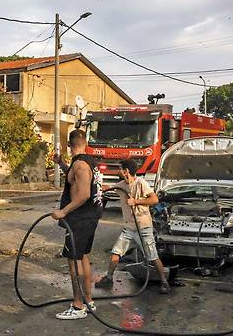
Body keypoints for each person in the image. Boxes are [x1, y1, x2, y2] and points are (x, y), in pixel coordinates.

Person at [95, 159, 171, 294]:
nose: (119, 171)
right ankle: (109, 278)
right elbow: (108, 188)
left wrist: (136, 201)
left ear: (126, 171)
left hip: (143, 228)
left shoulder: (141, 183)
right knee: (116, 252)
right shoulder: (122, 185)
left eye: (120, 169)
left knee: (152, 256)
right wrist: (97, 185)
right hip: (129, 228)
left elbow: (154, 199)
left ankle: (164, 282)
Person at [51, 129, 103, 320]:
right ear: (85, 143)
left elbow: (83, 194)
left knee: (74, 261)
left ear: (69, 145)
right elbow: (73, 180)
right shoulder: (87, 162)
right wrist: (61, 163)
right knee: (83, 257)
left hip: (79, 219)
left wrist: (62, 212)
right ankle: (88, 301)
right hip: (89, 218)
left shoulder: (80, 165)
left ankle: (78, 306)